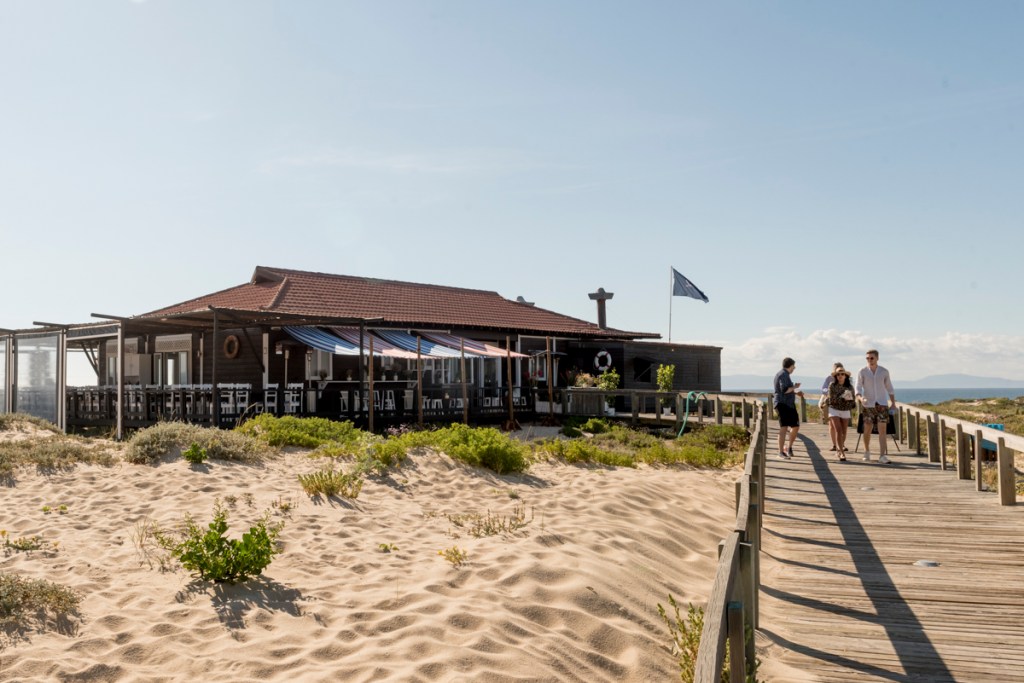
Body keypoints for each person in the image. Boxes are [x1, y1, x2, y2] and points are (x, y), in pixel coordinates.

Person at [856, 349, 896, 464]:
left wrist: (893, 403)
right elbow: (857, 388)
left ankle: (882, 455)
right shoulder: (862, 371)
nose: (869, 360)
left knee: (882, 430)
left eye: (871, 358)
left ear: (877, 358)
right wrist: (860, 398)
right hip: (868, 404)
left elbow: (890, 388)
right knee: (867, 428)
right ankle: (866, 451)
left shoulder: (884, 371)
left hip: (882, 404)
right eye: (867, 358)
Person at [772, 357, 803, 459]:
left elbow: (786, 390)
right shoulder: (783, 374)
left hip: (789, 404)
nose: (794, 368)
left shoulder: (785, 374)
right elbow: (784, 390)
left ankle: (789, 447)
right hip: (782, 404)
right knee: (784, 427)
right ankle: (781, 452)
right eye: (794, 366)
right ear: (790, 365)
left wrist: (795, 391)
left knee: (795, 426)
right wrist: (795, 387)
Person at [827, 367, 857, 461]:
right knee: (838, 430)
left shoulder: (850, 387)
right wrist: (843, 397)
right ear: (836, 376)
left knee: (844, 432)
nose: (840, 376)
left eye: (842, 374)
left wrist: (849, 399)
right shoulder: (832, 385)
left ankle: (839, 449)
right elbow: (832, 399)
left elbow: (852, 401)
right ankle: (841, 452)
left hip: (845, 410)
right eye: (838, 374)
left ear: (846, 376)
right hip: (834, 409)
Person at [820, 362, 847, 449]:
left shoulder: (845, 378)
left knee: (843, 426)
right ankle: (835, 445)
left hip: (843, 404)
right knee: (832, 425)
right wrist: (829, 391)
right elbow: (823, 388)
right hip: (831, 403)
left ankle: (841, 444)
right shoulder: (829, 379)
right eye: (837, 369)